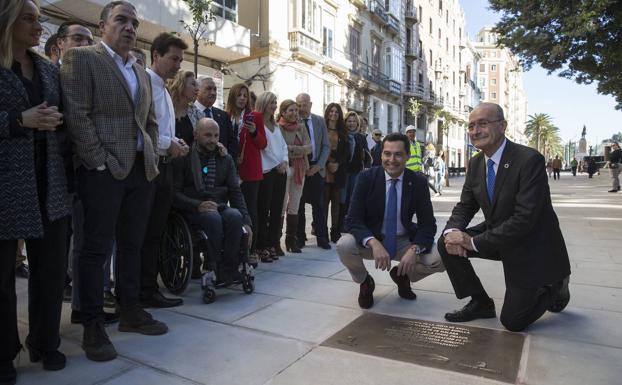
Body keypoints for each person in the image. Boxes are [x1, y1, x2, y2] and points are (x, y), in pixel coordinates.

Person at [61, 0, 167, 362]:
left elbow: (149, 119)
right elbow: (78, 114)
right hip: (103, 171)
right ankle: (93, 325)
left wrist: (150, 153)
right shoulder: (83, 59)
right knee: (95, 250)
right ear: (103, 24)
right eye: (121, 20)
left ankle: (130, 310)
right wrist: (99, 162)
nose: (130, 28)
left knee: (132, 246)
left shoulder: (138, 69)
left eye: (134, 23)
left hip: (140, 170)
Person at [438, 103, 571, 332]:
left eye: (482, 123)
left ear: (502, 126)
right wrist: (452, 233)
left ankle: (554, 285)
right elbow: (465, 206)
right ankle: (480, 302)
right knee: (445, 243)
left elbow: (524, 219)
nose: (475, 130)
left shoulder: (529, 160)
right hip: (498, 234)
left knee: (513, 321)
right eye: (471, 126)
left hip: (531, 245)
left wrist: (472, 242)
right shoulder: (477, 162)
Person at [1, 1, 72, 380]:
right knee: (3, 279)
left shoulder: (46, 68)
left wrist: (54, 121)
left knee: (50, 270)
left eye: (38, 18)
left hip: (49, 182)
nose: (37, 25)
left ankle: (46, 343)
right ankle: (3, 354)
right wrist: (17, 120)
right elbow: (19, 119)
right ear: (7, 21)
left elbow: (57, 119)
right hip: (6, 184)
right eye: (29, 18)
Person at [337, 133, 444, 309]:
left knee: (440, 258)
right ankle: (365, 282)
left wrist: (415, 249)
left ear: (407, 156)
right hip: (373, 239)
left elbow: (428, 225)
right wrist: (373, 242)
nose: (392, 160)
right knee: (344, 245)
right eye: (387, 154)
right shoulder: (367, 178)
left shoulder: (417, 182)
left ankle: (403, 275)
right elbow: (352, 219)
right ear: (381, 155)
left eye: (398, 154)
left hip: (404, 241)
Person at [173, 118, 252, 299]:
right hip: (192, 209)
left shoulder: (225, 158)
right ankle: (212, 266)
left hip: (219, 206)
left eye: (216, 136)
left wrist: (247, 221)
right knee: (212, 219)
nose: (212, 140)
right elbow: (174, 194)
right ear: (196, 134)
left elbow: (235, 192)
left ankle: (228, 268)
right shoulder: (184, 158)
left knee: (235, 216)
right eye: (207, 135)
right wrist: (197, 205)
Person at [140, 32, 189, 309]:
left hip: (165, 168)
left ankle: (150, 288)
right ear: (156, 55)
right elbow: (141, 129)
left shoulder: (164, 89)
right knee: (144, 234)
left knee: (155, 232)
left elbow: (162, 130)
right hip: (149, 168)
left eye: (180, 60)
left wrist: (174, 142)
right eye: (173, 59)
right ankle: (141, 293)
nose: (177, 65)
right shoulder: (144, 84)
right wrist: (167, 143)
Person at [226, 83, 267, 265]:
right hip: (230, 170)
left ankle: (251, 249)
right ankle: (232, 248)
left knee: (250, 210)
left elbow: (262, 143)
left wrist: (253, 131)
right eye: (239, 95)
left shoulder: (255, 116)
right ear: (232, 97)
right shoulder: (225, 116)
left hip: (250, 170)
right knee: (231, 210)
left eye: (245, 95)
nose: (242, 98)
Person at [295, 93, 331, 250]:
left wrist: (319, 166)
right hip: (300, 167)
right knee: (299, 204)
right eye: (299, 105)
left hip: (317, 167)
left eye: (305, 104)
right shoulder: (294, 122)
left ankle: (322, 238)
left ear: (310, 104)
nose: (302, 108)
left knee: (319, 204)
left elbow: (326, 145)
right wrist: (304, 166)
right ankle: (300, 238)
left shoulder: (319, 121)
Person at [256, 92, 288, 261]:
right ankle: (260, 246)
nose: (274, 105)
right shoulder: (258, 124)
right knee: (264, 210)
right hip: (267, 171)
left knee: (276, 210)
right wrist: (277, 163)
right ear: (263, 103)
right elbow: (264, 148)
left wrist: (284, 161)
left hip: (280, 171)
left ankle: (271, 243)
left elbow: (283, 146)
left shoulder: (275, 126)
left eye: (275, 102)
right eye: (271, 102)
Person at [279, 99, 312, 253]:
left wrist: (291, 149)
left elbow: (309, 148)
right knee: (281, 204)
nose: (294, 113)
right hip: (284, 169)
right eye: (290, 110)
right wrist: (299, 149)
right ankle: (275, 241)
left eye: (296, 110)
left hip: (300, 170)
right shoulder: (278, 127)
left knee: (295, 205)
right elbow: (281, 149)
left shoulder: (301, 127)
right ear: (283, 112)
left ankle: (291, 239)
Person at [323, 103, 349, 244]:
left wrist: (337, 164)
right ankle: (323, 233)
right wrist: (328, 164)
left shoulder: (343, 132)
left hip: (338, 172)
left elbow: (346, 153)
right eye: (331, 111)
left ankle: (335, 232)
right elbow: (320, 148)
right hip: (324, 171)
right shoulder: (322, 129)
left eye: (336, 112)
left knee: (336, 205)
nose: (333, 114)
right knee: (324, 204)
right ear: (327, 113)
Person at [193, 77, 237, 159]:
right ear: (197, 91)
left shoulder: (223, 115)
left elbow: (232, 142)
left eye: (215, 89)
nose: (213, 93)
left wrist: (226, 160)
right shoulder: (188, 113)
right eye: (208, 89)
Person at [343, 111, 371, 235]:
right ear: (345, 122)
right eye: (349, 121)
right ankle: (340, 224)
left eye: (354, 121)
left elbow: (367, 156)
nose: (351, 123)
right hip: (343, 172)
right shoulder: (342, 135)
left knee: (353, 199)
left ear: (357, 123)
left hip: (356, 172)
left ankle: (350, 223)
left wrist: (367, 169)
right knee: (342, 199)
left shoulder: (361, 137)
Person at [169, 70, 199, 147]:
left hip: (190, 158)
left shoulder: (197, 114)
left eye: (197, 85)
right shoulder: (166, 107)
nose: (197, 89)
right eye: (193, 84)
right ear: (180, 85)